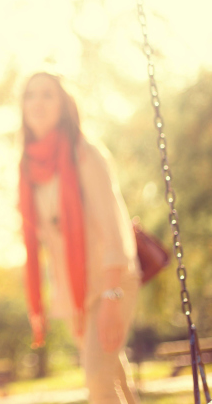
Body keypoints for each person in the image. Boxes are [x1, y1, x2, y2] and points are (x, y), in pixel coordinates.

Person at [18, 71, 141, 403]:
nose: (38, 103)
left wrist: (112, 296)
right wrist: (64, 301)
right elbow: (47, 245)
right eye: (31, 95)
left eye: (47, 94)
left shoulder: (85, 153)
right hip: (77, 291)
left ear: (64, 104)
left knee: (98, 380)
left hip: (110, 279)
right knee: (111, 375)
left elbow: (114, 227)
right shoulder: (29, 168)